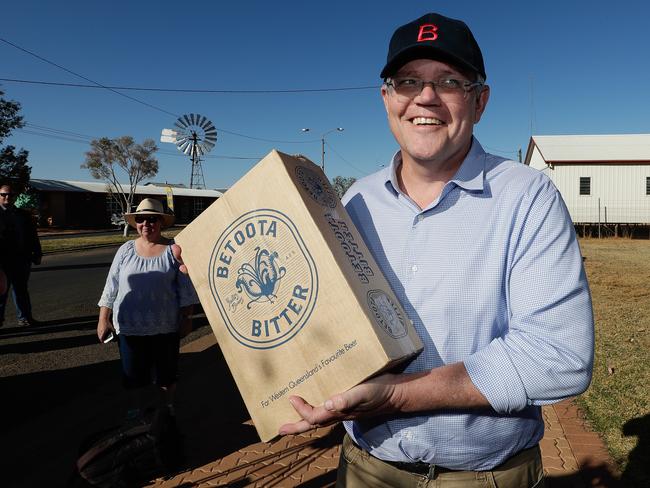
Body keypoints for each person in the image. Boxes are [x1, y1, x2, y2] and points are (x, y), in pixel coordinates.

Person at [273, 13, 594, 487]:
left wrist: (397, 395)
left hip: (483, 477)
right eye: (408, 81)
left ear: (480, 101)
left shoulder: (527, 196)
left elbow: (558, 356)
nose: (425, 97)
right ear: (387, 98)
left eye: (449, 81)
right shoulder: (353, 202)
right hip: (366, 468)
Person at [98, 198, 196, 419]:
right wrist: (103, 318)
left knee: (167, 374)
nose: (145, 224)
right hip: (129, 327)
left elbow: (185, 288)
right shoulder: (125, 250)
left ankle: (166, 409)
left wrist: (187, 318)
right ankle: (137, 412)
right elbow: (111, 285)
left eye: (152, 219)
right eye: (140, 219)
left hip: (165, 326)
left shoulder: (173, 250)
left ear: (161, 222)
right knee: (133, 375)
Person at [0, 181, 42, 327]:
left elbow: (33, 236)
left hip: (21, 260)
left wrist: (37, 253)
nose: (7, 197)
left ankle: (24, 317)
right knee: (1, 292)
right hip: (2, 263)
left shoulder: (23, 215)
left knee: (21, 290)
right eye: (3, 194)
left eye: (10, 195)